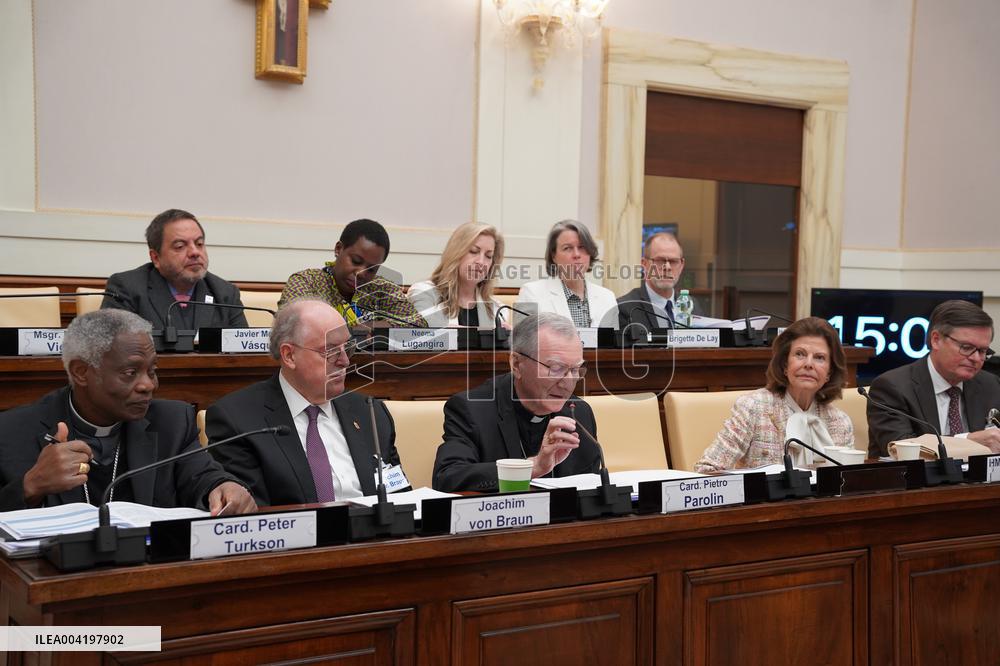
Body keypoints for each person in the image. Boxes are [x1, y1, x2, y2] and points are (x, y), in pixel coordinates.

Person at [0, 309, 254, 514]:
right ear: (81, 372)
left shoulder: (172, 421)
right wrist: (30, 486)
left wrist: (224, 486)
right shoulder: (12, 431)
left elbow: (203, 475)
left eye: (152, 371)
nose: (148, 385)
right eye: (130, 372)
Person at [206, 299, 407, 506]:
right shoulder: (237, 420)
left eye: (347, 347)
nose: (345, 361)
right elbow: (252, 511)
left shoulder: (370, 412)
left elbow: (401, 497)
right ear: (289, 355)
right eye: (330, 351)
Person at [432, 312, 600, 492]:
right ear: (517, 364)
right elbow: (447, 478)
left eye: (575, 369)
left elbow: (589, 489)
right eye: (556, 368)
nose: (568, 382)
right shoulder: (472, 409)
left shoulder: (579, 412)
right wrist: (532, 468)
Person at [694, 317, 854, 473]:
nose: (808, 364)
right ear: (785, 365)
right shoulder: (754, 407)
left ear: (829, 372)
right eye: (800, 354)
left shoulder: (840, 423)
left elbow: (848, 481)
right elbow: (706, 469)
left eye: (819, 358)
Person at [867, 300, 1000, 456]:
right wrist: (968, 441)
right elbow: (903, 451)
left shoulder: (991, 385)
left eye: (983, 351)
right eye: (966, 348)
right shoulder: (891, 387)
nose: (976, 358)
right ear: (936, 340)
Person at [102, 209, 249, 330]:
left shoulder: (225, 294)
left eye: (199, 244)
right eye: (180, 246)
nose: (194, 252)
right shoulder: (127, 289)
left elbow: (244, 351)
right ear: (156, 258)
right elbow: (114, 348)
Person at [278, 218, 426, 327]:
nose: (361, 273)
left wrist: (371, 327)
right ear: (338, 249)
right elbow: (290, 324)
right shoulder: (307, 281)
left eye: (371, 269)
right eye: (356, 261)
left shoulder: (382, 289)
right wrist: (349, 329)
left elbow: (418, 325)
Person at [516, 221, 619, 328]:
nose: (576, 254)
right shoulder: (531, 293)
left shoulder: (607, 297)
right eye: (567, 248)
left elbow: (613, 339)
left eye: (582, 247)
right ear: (553, 256)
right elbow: (521, 338)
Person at [407, 222, 507, 328]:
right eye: (473, 251)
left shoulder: (497, 309)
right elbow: (424, 335)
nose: (481, 262)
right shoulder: (424, 293)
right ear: (455, 253)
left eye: (488, 256)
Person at [618, 232, 685, 331]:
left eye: (673, 261)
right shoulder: (624, 308)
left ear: (681, 265)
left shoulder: (692, 306)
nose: (667, 267)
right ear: (644, 264)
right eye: (660, 260)